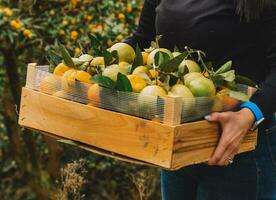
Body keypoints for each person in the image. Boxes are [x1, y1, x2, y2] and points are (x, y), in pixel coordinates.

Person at [124, 0, 276, 199]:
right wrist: (98, 64)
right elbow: (143, 38)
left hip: (238, 148)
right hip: (179, 143)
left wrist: (250, 114)